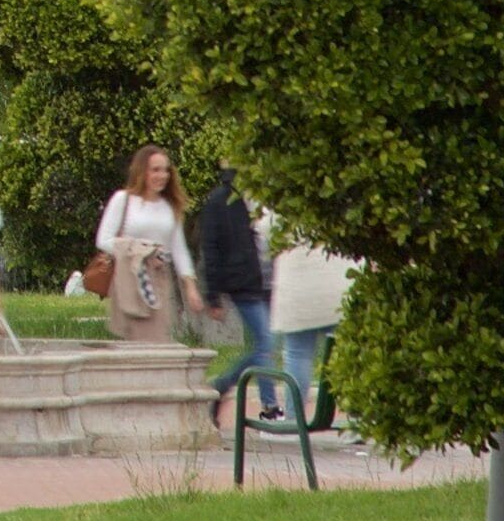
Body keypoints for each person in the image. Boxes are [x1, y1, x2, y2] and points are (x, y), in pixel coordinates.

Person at [194, 168, 277, 428]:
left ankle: (222, 385)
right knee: (266, 342)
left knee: (265, 346)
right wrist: (213, 295)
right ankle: (270, 407)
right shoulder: (221, 201)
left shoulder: (266, 196)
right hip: (244, 284)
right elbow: (211, 247)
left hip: (271, 282)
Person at [93, 143, 198, 343]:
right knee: (136, 338)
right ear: (142, 171)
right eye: (155, 170)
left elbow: (179, 249)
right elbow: (103, 239)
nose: (162, 175)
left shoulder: (169, 207)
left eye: (166, 170)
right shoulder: (123, 200)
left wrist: (190, 286)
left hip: (160, 278)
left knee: (158, 337)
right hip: (131, 277)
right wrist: (139, 249)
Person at [267, 223, 359, 422]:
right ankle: (357, 419)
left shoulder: (280, 196)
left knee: (297, 355)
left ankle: (294, 419)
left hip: (299, 288)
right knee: (348, 353)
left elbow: (268, 229)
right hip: (341, 282)